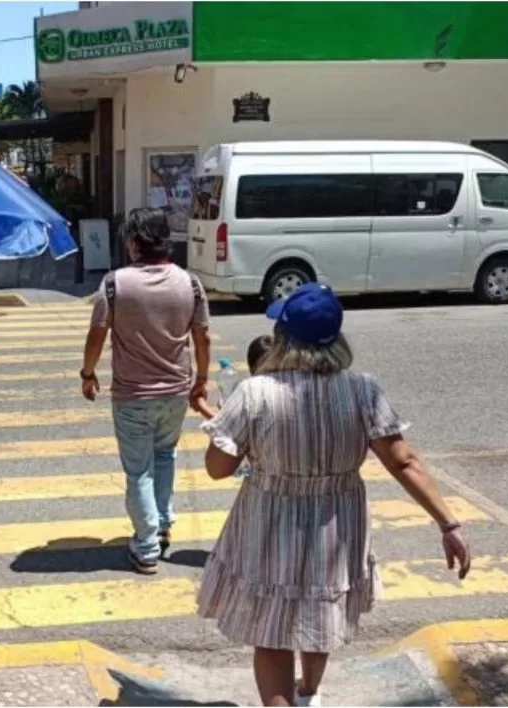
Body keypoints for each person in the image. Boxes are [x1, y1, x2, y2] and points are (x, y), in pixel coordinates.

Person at [196, 283, 471, 707]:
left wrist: (233, 433)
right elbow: (403, 462)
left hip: (269, 519)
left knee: (271, 635)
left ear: (283, 337)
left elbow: (218, 470)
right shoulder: (363, 390)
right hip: (337, 524)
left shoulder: (254, 393)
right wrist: (447, 523)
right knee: (318, 614)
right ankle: (309, 693)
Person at [80, 207, 212, 574]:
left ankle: (147, 545)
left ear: (135, 244)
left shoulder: (114, 284)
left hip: (133, 395)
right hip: (175, 391)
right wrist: (201, 379)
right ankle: (164, 524)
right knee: (165, 456)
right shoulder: (191, 283)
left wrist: (87, 374)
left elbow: (97, 335)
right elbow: (202, 336)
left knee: (139, 470)